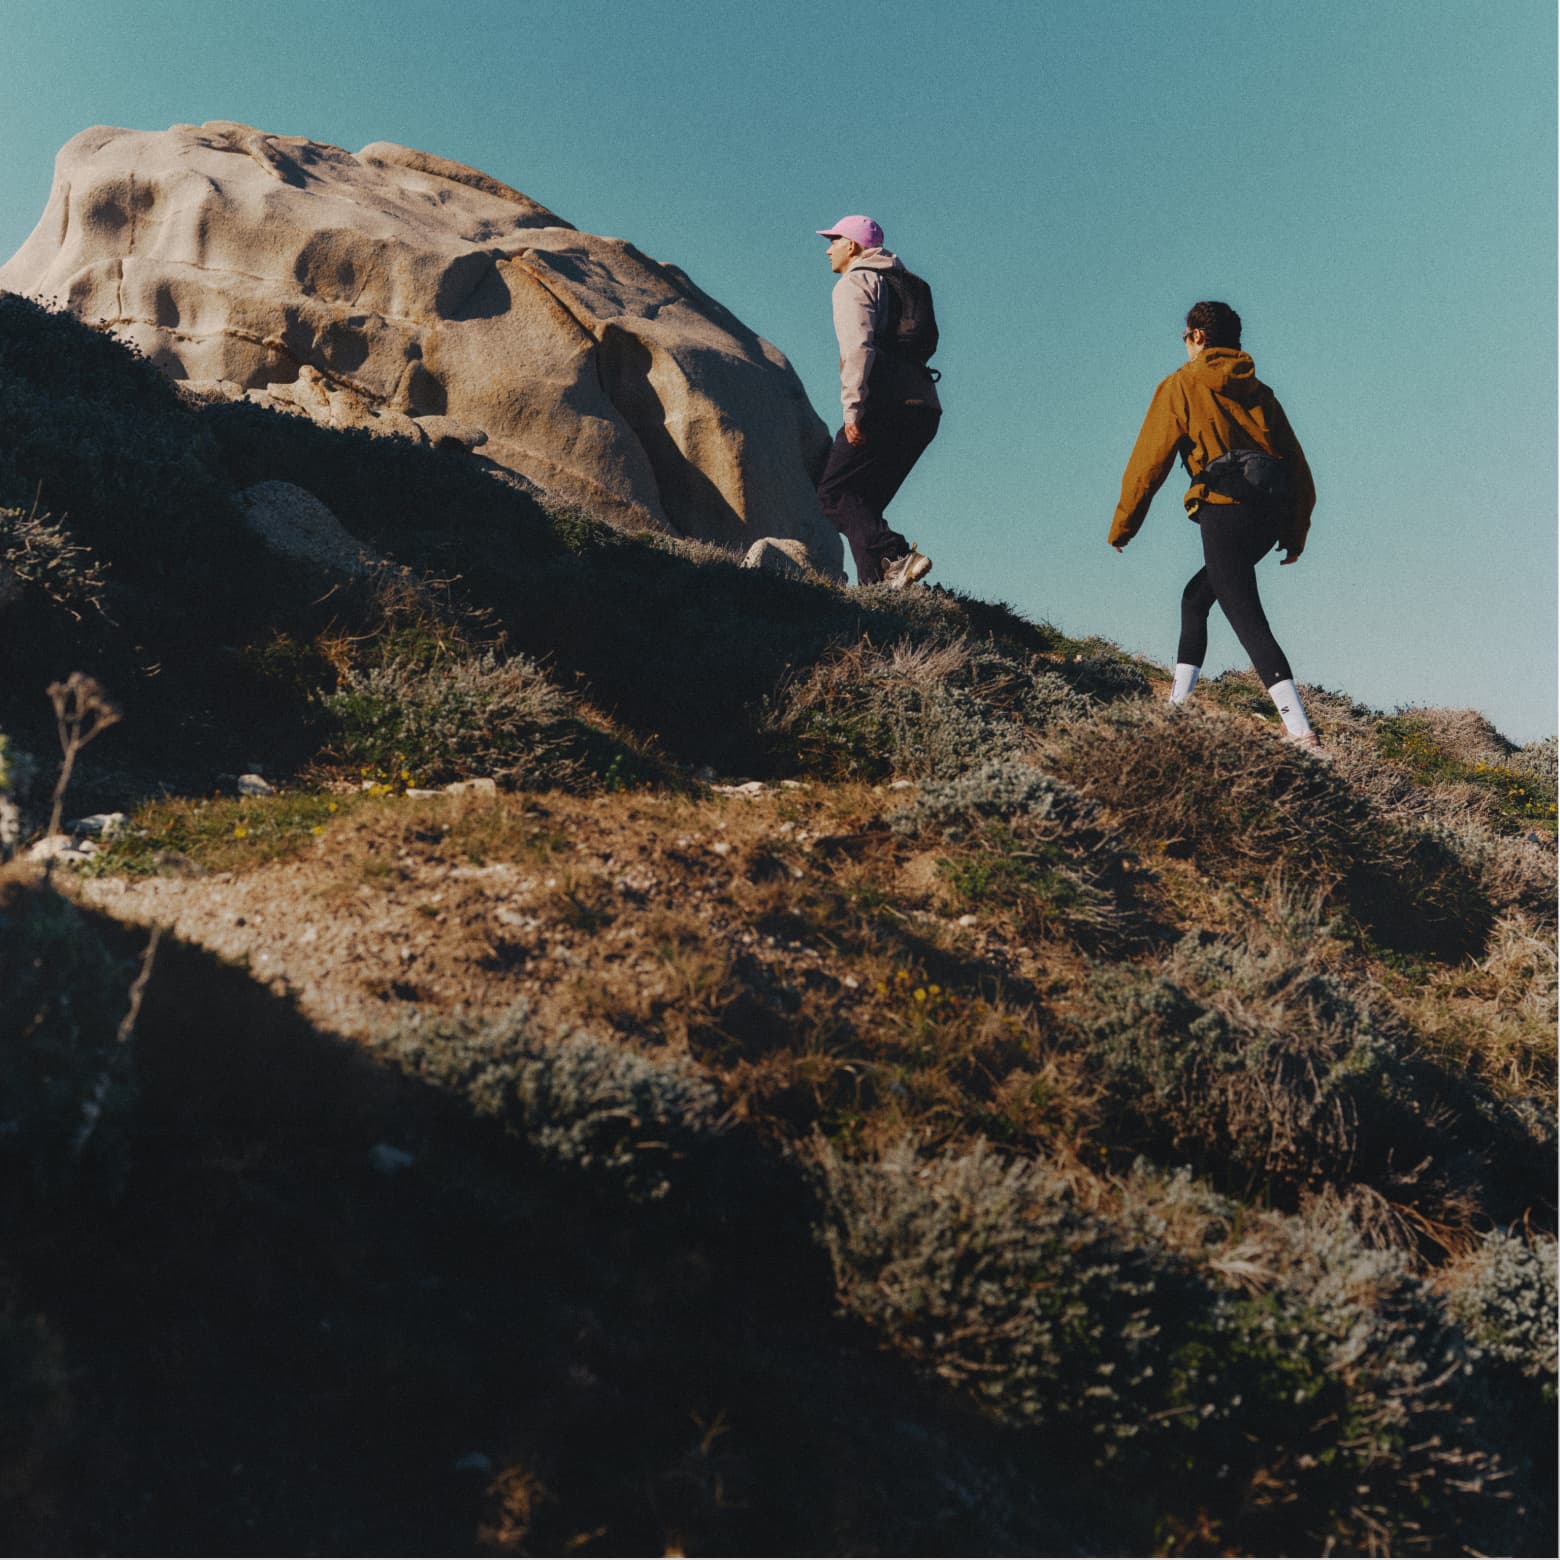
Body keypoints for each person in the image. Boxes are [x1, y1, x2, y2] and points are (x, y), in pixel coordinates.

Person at [1109, 300, 1322, 750]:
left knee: (1246, 618)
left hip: (1224, 510)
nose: (1184, 346)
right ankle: (1176, 711)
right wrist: (1295, 531)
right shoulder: (1261, 392)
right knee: (1196, 599)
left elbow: (1149, 463)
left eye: (1185, 337)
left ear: (1198, 336)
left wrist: (1124, 525)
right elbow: (1299, 468)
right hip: (1268, 516)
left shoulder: (1181, 384)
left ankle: (1300, 731)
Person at [813, 214, 941, 588]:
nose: (828, 249)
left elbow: (857, 349)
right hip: (924, 408)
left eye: (833, 240)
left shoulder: (855, 282)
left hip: (885, 405)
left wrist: (852, 411)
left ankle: (898, 556)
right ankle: (880, 596)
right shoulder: (903, 283)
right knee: (863, 507)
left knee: (834, 493)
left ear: (851, 246)